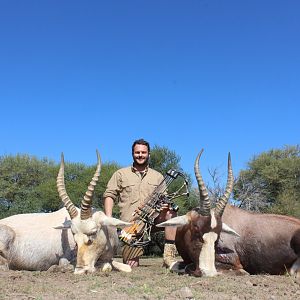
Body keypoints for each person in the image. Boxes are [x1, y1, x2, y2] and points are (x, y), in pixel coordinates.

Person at [103, 138, 178, 269]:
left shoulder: (158, 176)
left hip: (153, 220)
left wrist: (165, 207)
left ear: (149, 154)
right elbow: (109, 195)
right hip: (130, 226)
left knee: (172, 214)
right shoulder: (121, 174)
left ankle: (169, 256)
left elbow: (164, 199)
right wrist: (109, 220)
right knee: (132, 266)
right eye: (137, 152)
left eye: (143, 152)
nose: (140, 155)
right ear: (132, 153)